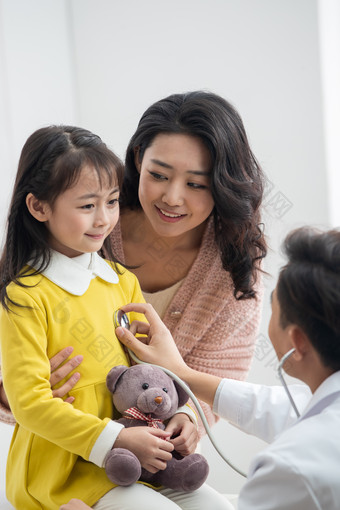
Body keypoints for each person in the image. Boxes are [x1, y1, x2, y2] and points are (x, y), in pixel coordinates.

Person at [0, 91, 266, 437]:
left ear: (221, 184)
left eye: (196, 184)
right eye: (158, 175)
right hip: (64, 448)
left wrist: (187, 417)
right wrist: (11, 393)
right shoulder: (80, 224)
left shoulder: (233, 267)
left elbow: (219, 378)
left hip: (151, 453)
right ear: (139, 158)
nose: (172, 198)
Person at [0, 126, 231, 510]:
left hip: (139, 456)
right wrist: (116, 440)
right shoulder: (25, 296)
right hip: (65, 468)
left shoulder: (122, 281)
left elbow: (149, 371)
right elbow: (30, 405)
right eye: (87, 206)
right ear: (39, 207)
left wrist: (181, 415)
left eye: (111, 202)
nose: (104, 219)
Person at [115, 226, 340, 510]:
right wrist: (181, 374)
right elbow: (272, 407)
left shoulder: (291, 469)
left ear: (296, 341)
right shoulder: (316, 412)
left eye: (274, 307)